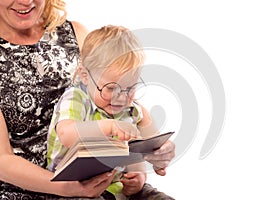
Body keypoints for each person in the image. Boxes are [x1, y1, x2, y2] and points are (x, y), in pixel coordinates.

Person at [0, 0, 175, 199]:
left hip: (105, 179)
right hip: (30, 189)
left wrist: (154, 150)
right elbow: (2, 160)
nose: (25, 1)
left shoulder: (74, 33)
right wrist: (65, 188)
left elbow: (123, 106)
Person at [47, 25, 175, 200]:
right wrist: (108, 126)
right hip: (74, 188)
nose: (121, 98)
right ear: (85, 76)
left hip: (115, 187)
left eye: (130, 89)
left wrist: (139, 176)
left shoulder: (129, 110)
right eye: (111, 88)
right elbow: (66, 134)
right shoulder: (76, 98)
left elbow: (135, 149)